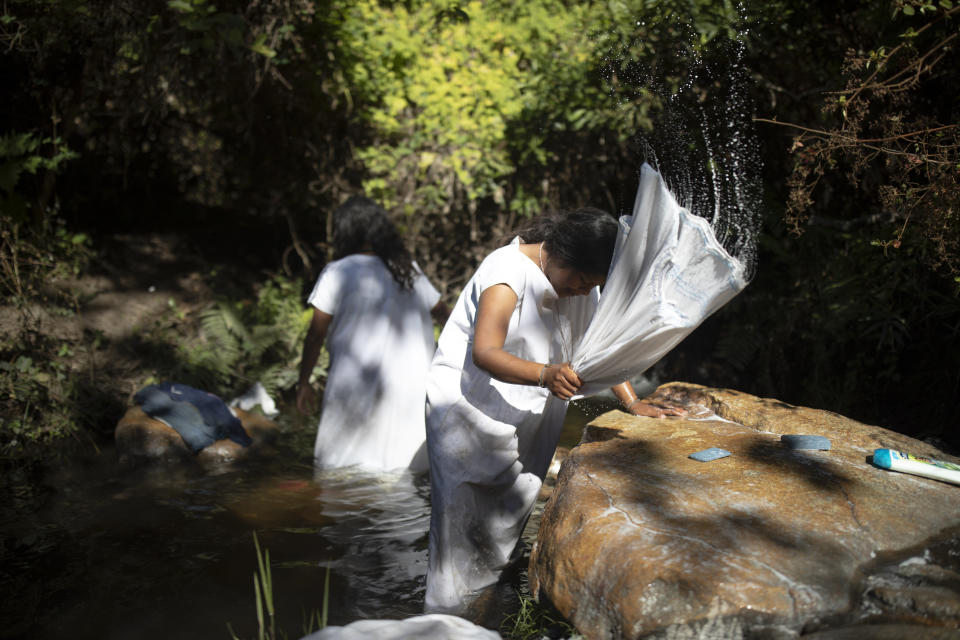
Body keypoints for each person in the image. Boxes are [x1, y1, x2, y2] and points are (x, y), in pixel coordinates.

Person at [423, 207, 684, 614]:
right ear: (561, 254)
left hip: (530, 412)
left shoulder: (582, 282)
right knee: (456, 536)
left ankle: (483, 613)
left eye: (592, 285)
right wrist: (546, 374)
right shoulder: (506, 271)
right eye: (582, 281)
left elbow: (600, 345)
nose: (584, 291)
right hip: (468, 416)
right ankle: (443, 619)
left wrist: (632, 401)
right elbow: (485, 352)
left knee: (500, 533)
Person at [296, 195, 448, 472]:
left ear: (345, 232)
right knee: (403, 472)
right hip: (411, 386)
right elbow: (445, 316)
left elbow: (316, 333)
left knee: (342, 469)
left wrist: (304, 382)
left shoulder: (338, 272)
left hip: (353, 383)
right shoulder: (406, 269)